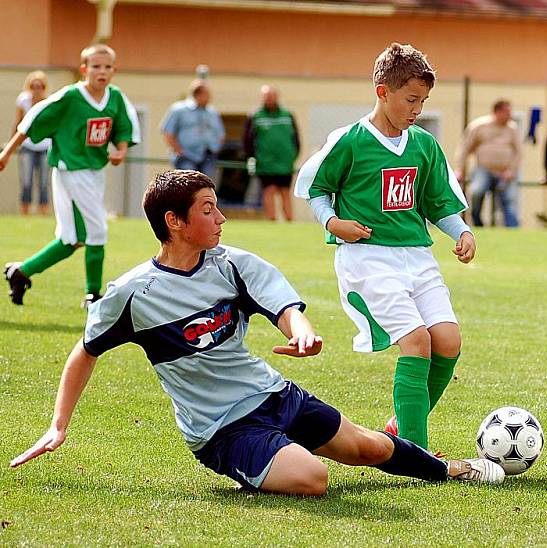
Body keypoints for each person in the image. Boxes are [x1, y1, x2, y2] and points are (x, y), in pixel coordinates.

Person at [8, 170, 505, 495]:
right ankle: (267, 458)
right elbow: (85, 350)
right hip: (222, 428)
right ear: (174, 222)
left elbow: (284, 305)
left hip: (273, 394)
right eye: (207, 210)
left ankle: (453, 469)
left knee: (369, 449)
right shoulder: (133, 294)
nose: (221, 218)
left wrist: (303, 330)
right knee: (313, 479)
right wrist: (58, 425)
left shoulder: (232, 266)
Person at [295, 43, 474, 450]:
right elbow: (316, 189)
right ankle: (415, 453)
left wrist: (461, 231)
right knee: (417, 342)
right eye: (411, 99)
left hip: (417, 256)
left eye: (423, 101)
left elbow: (438, 200)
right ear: (382, 91)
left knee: (447, 341)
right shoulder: (350, 140)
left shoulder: (423, 144)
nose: (417, 109)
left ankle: (400, 425)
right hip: (368, 259)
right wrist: (333, 222)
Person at [0, 44, 140, 307]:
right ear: (84, 70)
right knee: (98, 230)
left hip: (94, 173)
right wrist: (7, 153)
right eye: (96, 66)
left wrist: (120, 151)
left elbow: (124, 127)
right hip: (70, 171)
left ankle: (21, 272)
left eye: (107, 67)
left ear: (114, 70)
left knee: (72, 239)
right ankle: (93, 296)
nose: (102, 71)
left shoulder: (115, 97)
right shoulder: (70, 97)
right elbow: (32, 120)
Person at [455, 100, 522, 228]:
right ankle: (477, 223)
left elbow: (518, 152)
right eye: (506, 112)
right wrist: (460, 169)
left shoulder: (512, 128)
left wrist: (511, 170)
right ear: (497, 112)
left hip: (505, 172)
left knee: (509, 200)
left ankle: (512, 228)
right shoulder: (479, 126)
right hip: (483, 169)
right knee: (476, 192)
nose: (510, 115)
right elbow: (464, 148)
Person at [243, 85, 300, 221]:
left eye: (272, 96)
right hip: (265, 162)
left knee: (285, 191)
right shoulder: (256, 116)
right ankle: (272, 220)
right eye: (266, 96)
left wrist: (292, 155)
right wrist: (252, 157)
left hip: (285, 162)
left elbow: (296, 139)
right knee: (269, 190)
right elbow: (248, 139)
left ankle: (289, 220)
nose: (269, 99)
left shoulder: (288, 115)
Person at [161, 79, 224, 179]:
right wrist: (178, 150)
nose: (210, 98)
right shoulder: (179, 110)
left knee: (206, 186)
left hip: (208, 157)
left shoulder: (212, 112)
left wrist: (215, 148)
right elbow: (167, 131)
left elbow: (221, 134)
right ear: (198, 94)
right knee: (189, 186)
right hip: (186, 157)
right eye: (207, 95)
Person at [11, 71, 51, 215]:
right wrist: (12, 143)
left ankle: (43, 213)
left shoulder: (49, 102)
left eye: (39, 86)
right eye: (33, 86)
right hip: (27, 146)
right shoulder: (23, 101)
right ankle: (25, 213)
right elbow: (18, 122)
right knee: (26, 181)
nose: (36, 89)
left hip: (45, 147)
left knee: (44, 183)